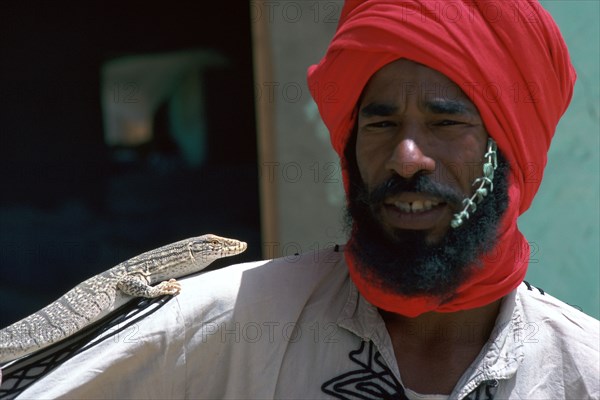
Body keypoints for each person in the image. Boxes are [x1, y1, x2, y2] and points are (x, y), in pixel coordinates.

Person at [10, 0, 600, 398]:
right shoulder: (225, 317)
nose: (406, 157)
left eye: (447, 125)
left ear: (508, 152)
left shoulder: (582, 366)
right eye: (380, 124)